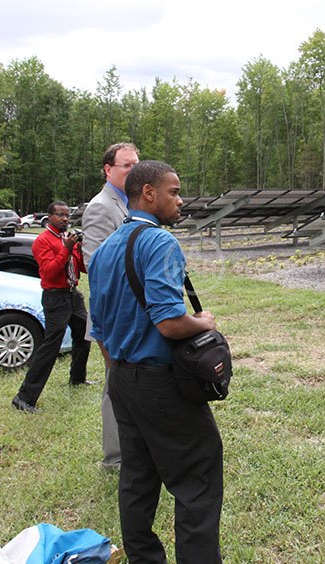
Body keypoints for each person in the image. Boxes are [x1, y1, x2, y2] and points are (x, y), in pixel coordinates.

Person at [88, 160, 223, 563]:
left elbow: (99, 325)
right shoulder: (159, 242)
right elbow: (167, 321)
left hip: (122, 380)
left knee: (137, 477)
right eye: (174, 191)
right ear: (148, 193)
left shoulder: (104, 249)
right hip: (161, 384)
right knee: (197, 478)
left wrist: (117, 371)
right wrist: (202, 322)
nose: (180, 200)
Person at [82, 142, 140, 469]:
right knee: (115, 383)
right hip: (114, 313)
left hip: (131, 311)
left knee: (130, 381)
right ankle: (116, 456)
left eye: (136, 164)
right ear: (108, 169)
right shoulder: (102, 206)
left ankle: (131, 447)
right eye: (126, 166)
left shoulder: (128, 203)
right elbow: (95, 264)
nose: (133, 170)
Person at [11, 200, 90, 414]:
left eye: (67, 215)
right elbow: (49, 272)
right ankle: (24, 397)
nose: (65, 219)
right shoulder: (42, 241)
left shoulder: (67, 238)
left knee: (84, 336)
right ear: (49, 217)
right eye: (60, 215)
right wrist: (65, 249)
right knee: (50, 347)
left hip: (73, 295)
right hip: (55, 298)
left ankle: (77, 378)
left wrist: (79, 250)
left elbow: (81, 268)